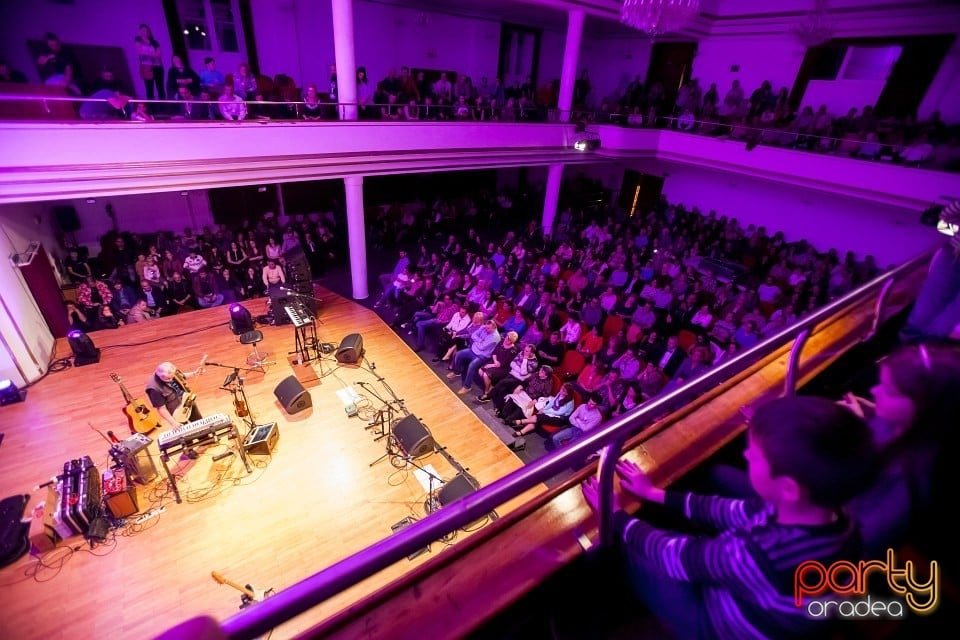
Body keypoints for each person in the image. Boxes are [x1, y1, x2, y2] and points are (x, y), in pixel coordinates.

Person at [581, 396, 876, 640]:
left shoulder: (760, 554)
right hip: (755, 599)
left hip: (718, 627)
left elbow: (674, 555)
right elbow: (732, 510)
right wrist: (655, 494)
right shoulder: (836, 517)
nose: (746, 455)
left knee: (632, 552)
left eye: (756, 455)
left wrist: (615, 513)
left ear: (788, 487)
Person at [145, 361, 205, 429]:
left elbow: (182, 376)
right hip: (177, 412)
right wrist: (173, 422)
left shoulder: (172, 370)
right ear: (160, 376)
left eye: (172, 377)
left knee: (200, 425)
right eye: (168, 379)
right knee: (186, 434)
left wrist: (194, 374)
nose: (171, 380)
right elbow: (161, 409)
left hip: (188, 402)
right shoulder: (154, 388)